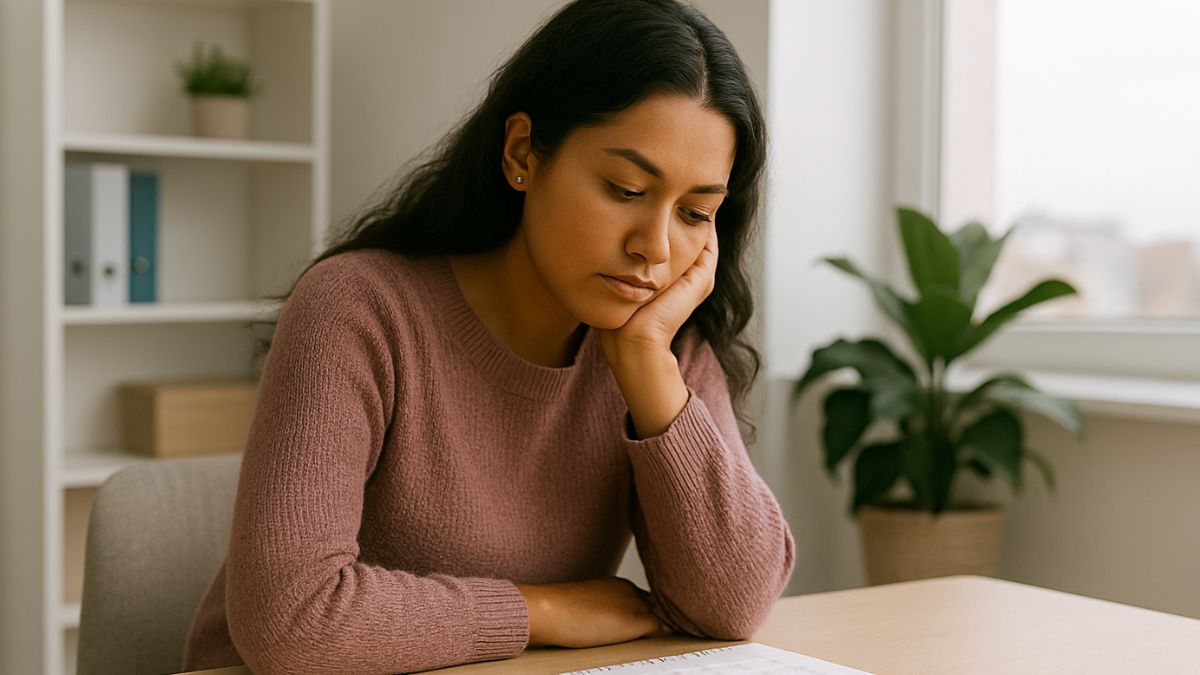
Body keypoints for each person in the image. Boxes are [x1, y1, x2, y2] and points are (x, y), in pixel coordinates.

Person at [181, 0, 794, 672]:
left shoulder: (662, 342)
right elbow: (292, 617)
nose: (654, 247)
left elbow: (734, 603)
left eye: (696, 211)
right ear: (522, 153)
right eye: (624, 189)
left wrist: (649, 370)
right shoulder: (359, 310)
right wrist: (543, 611)